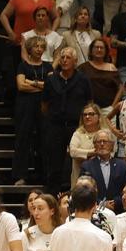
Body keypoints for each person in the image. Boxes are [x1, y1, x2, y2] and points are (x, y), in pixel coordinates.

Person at [46, 46, 91, 189]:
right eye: (62, 57)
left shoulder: (83, 80)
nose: (64, 60)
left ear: (75, 61)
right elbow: (44, 104)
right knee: (54, 162)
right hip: (55, 125)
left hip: (76, 126)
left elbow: (89, 103)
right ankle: (52, 194)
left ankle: (74, 193)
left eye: (68, 57)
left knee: (75, 162)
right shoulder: (51, 79)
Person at [13, 36, 53, 186]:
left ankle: (44, 175)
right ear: (30, 48)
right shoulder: (22, 66)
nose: (39, 49)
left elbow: (51, 86)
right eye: (36, 46)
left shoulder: (48, 66)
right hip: (25, 106)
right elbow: (21, 86)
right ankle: (20, 175)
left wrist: (31, 82)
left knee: (44, 140)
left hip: (44, 106)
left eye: (41, 47)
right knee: (23, 139)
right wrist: (40, 85)